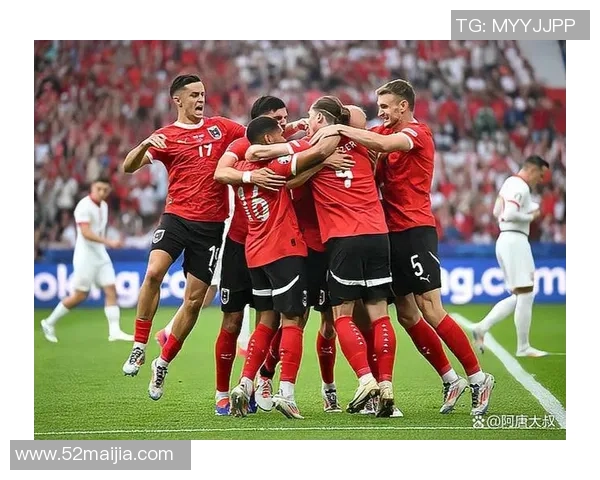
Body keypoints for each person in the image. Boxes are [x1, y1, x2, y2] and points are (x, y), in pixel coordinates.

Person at [312, 80, 495, 416]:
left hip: (414, 229)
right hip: (386, 232)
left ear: (403, 106)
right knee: (407, 314)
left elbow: (379, 142)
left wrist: (338, 128)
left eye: (385, 106)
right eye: (379, 107)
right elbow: (361, 128)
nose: (380, 112)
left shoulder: (416, 133)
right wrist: (319, 127)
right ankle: (450, 379)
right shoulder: (381, 131)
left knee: (430, 307)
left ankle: (478, 377)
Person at [246, 97, 398, 417]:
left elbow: (281, 174)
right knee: (297, 319)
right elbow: (287, 180)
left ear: (319, 118)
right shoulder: (347, 149)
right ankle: (268, 377)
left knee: (332, 321)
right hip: (314, 246)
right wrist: (322, 159)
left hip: (335, 242)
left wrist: (320, 154)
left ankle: (342, 387)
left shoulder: (322, 144)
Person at [120, 74, 251, 401]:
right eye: (193, 95)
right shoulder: (166, 136)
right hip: (176, 217)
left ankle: (162, 362)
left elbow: (256, 136)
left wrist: (290, 130)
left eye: (202, 94)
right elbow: (128, 167)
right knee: (153, 272)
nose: (200, 99)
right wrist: (145, 144)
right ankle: (139, 345)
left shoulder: (221, 127)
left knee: (194, 302)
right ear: (177, 100)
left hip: (211, 226)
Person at [228, 116, 346, 419]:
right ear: (268, 140)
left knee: (266, 321)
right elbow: (314, 153)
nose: (284, 136)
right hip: (283, 251)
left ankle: (245, 382)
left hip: (255, 254)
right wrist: (326, 156)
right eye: (280, 133)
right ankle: (287, 393)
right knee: (293, 321)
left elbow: (227, 170)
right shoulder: (274, 167)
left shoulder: (240, 171)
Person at [210, 95, 306, 415]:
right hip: (250, 243)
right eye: (278, 119)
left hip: (258, 243)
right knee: (236, 319)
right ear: (262, 125)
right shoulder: (243, 147)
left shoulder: (272, 148)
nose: (284, 123)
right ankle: (224, 393)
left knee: (270, 318)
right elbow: (220, 172)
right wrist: (251, 176)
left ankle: (253, 381)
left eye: (286, 118)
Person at [471, 155, 550, 357]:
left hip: (506, 239)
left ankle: (482, 327)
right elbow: (508, 214)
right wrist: (531, 215)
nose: (540, 180)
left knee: (520, 295)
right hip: (515, 240)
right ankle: (523, 347)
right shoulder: (521, 186)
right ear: (532, 170)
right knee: (526, 293)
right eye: (540, 175)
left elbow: (497, 211)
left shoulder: (509, 183)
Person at [40, 178, 133, 343]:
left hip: (100, 254)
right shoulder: (83, 206)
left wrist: (106, 243)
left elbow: (98, 231)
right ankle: (49, 322)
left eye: (105, 190)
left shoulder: (104, 206)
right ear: (92, 187)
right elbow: (86, 233)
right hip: (85, 256)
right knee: (80, 295)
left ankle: (115, 331)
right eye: (99, 188)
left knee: (111, 288)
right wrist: (109, 242)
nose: (102, 192)